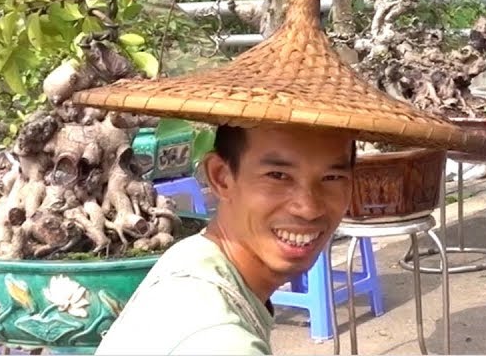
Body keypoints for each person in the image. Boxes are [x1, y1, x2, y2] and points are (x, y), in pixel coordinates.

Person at [95, 122, 356, 355]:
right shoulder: (221, 340)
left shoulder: (191, 255)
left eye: (332, 177)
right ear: (221, 177)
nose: (309, 208)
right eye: (278, 176)